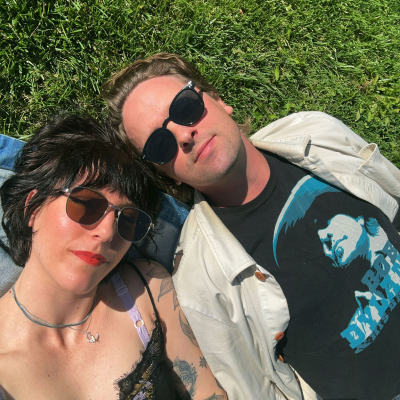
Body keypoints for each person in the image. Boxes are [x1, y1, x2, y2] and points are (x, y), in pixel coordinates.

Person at [101, 53, 400, 400]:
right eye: (160, 145)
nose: (184, 135)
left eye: (185, 107)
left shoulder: (317, 132)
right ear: (164, 174)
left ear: (217, 100)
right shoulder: (201, 281)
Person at [0, 114, 227, 400]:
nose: (108, 233)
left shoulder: (145, 289)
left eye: (128, 220)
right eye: (86, 204)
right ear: (32, 208)